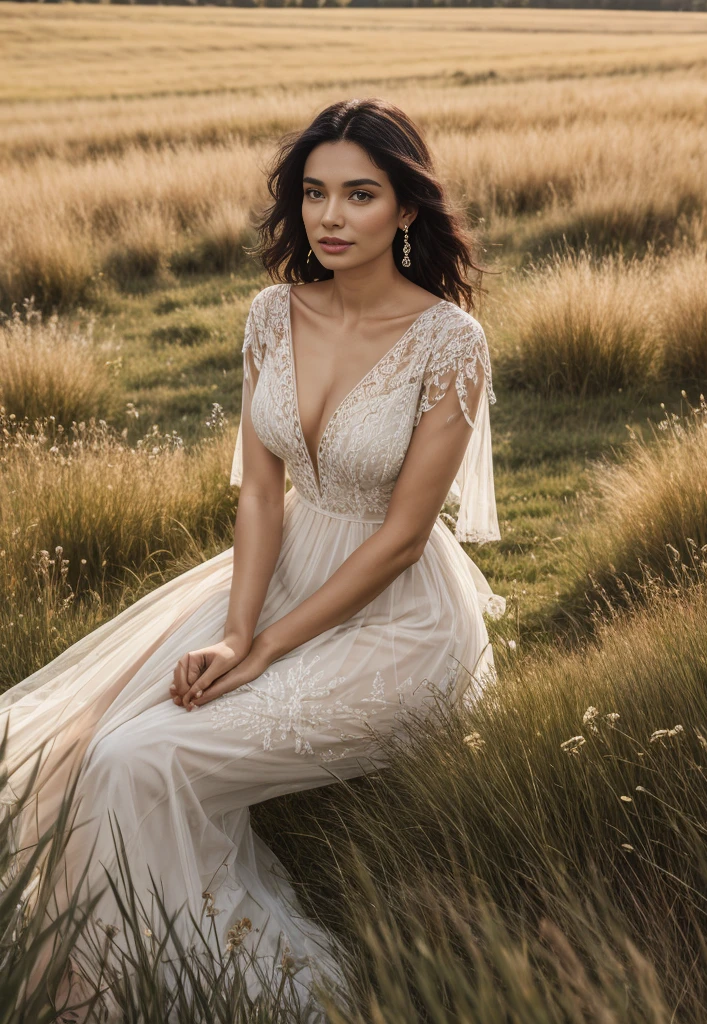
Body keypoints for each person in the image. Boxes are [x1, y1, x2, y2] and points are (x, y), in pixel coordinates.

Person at [0, 97, 506, 1020]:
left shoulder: (449, 343)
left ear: (406, 208)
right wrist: (239, 629)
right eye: (314, 194)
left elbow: (399, 539)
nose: (330, 217)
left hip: (395, 619)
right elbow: (262, 493)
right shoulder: (273, 314)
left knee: (141, 763)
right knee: (81, 751)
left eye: (360, 194)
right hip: (272, 577)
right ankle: (122, 981)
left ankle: (236, 994)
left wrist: (266, 649)